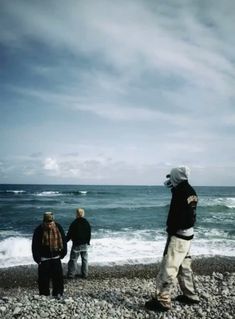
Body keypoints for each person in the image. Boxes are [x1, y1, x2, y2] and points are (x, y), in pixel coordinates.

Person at [145, 166, 200, 312]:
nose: (170, 180)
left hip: (179, 236)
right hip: (188, 235)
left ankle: (163, 301)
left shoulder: (180, 193)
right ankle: (191, 295)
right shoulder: (191, 191)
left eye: (172, 177)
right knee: (185, 267)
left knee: (169, 267)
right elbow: (190, 216)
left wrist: (171, 230)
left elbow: (177, 216)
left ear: (176, 177)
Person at [32, 212, 67, 298]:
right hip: (44, 258)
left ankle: (58, 293)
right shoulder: (39, 229)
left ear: (53, 221)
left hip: (56, 256)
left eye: (50, 222)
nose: (49, 224)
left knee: (58, 278)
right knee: (43, 279)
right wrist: (37, 258)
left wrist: (63, 253)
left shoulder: (58, 227)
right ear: (44, 221)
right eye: (47, 222)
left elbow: (63, 240)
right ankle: (44, 294)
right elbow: (34, 245)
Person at [66, 208, 91, 279]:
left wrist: (65, 241)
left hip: (76, 243)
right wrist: (88, 241)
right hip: (84, 243)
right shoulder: (86, 222)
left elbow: (70, 234)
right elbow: (89, 233)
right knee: (85, 259)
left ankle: (71, 275)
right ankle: (85, 274)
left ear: (76, 214)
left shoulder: (74, 223)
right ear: (83, 214)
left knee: (73, 259)